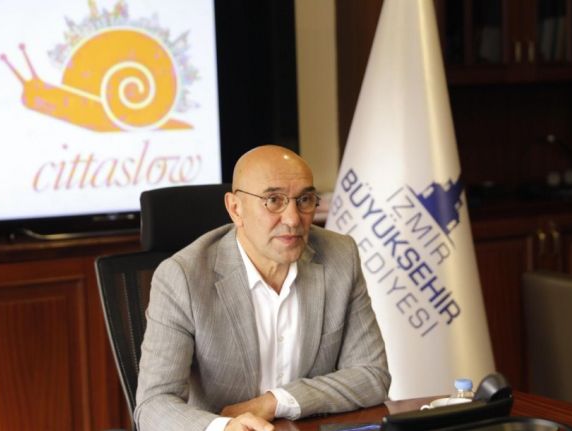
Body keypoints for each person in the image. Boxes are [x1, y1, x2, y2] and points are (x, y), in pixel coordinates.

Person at [135, 145, 390, 431]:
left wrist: (274, 402)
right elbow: (153, 405)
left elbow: (372, 376)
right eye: (274, 200)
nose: (293, 219)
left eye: (304, 200)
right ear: (236, 209)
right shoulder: (182, 277)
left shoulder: (340, 256)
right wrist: (225, 428)